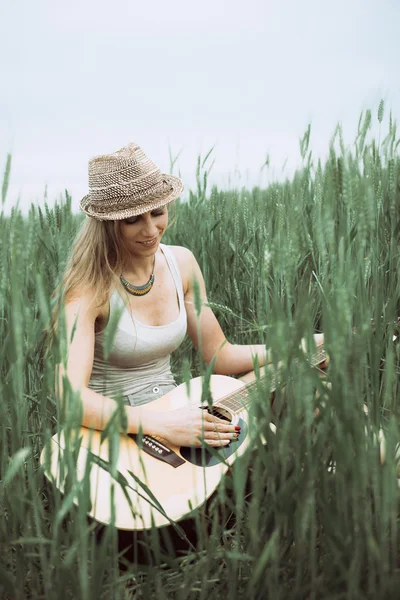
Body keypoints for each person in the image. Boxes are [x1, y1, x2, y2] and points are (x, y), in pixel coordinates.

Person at [55, 142, 324, 449]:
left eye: (158, 212)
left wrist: (304, 345)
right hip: (120, 434)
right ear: (106, 224)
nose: (151, 230)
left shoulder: (181, 264)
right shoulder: (88, 288)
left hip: (181, 411)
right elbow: (70, 398)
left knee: (305, 386)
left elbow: (220, 355)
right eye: (132, 220)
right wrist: (163, 425)